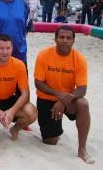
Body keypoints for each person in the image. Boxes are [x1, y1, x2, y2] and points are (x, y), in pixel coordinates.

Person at [34, 25, 94, 164]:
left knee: (83, 103)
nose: (64, 40)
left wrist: (62, 101)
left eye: (68, 38)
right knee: (50, 141)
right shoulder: (44, 55)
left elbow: (82, 89)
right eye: (61, 37)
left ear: (73, 40)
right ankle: (56, 130)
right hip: (46, 99)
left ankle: (82, 149)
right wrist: (58, 95)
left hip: (69, 100)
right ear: (55, 39)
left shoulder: (79, 59)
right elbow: (38, 83)